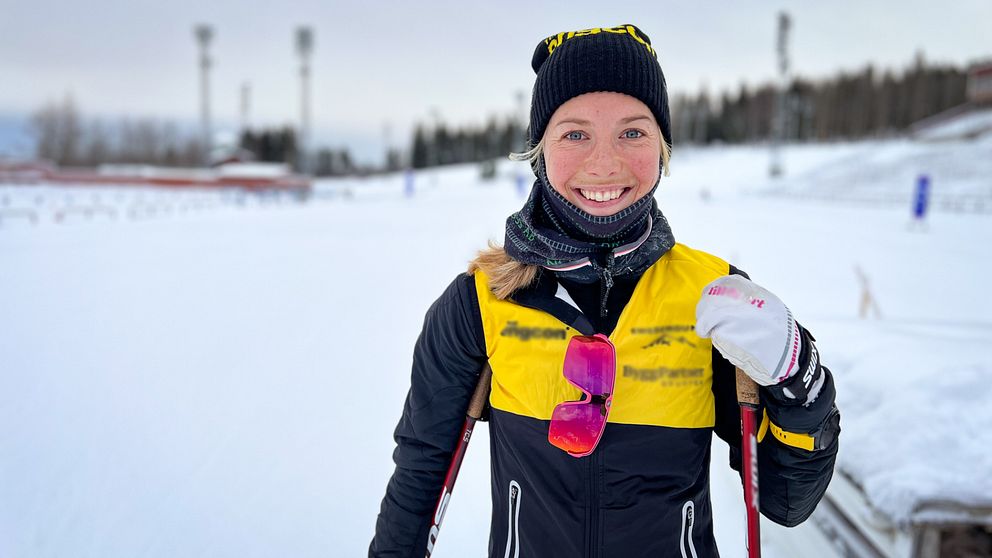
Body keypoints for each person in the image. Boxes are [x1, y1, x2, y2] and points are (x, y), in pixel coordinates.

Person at [370, 24, 840, 558]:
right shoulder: (480, 303)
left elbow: (783, 501)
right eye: (574, 133)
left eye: (632, 133)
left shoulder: (713, 297)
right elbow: (420, 476)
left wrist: (801, 387)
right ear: (539, 149)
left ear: (663, 147)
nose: (604, 163)